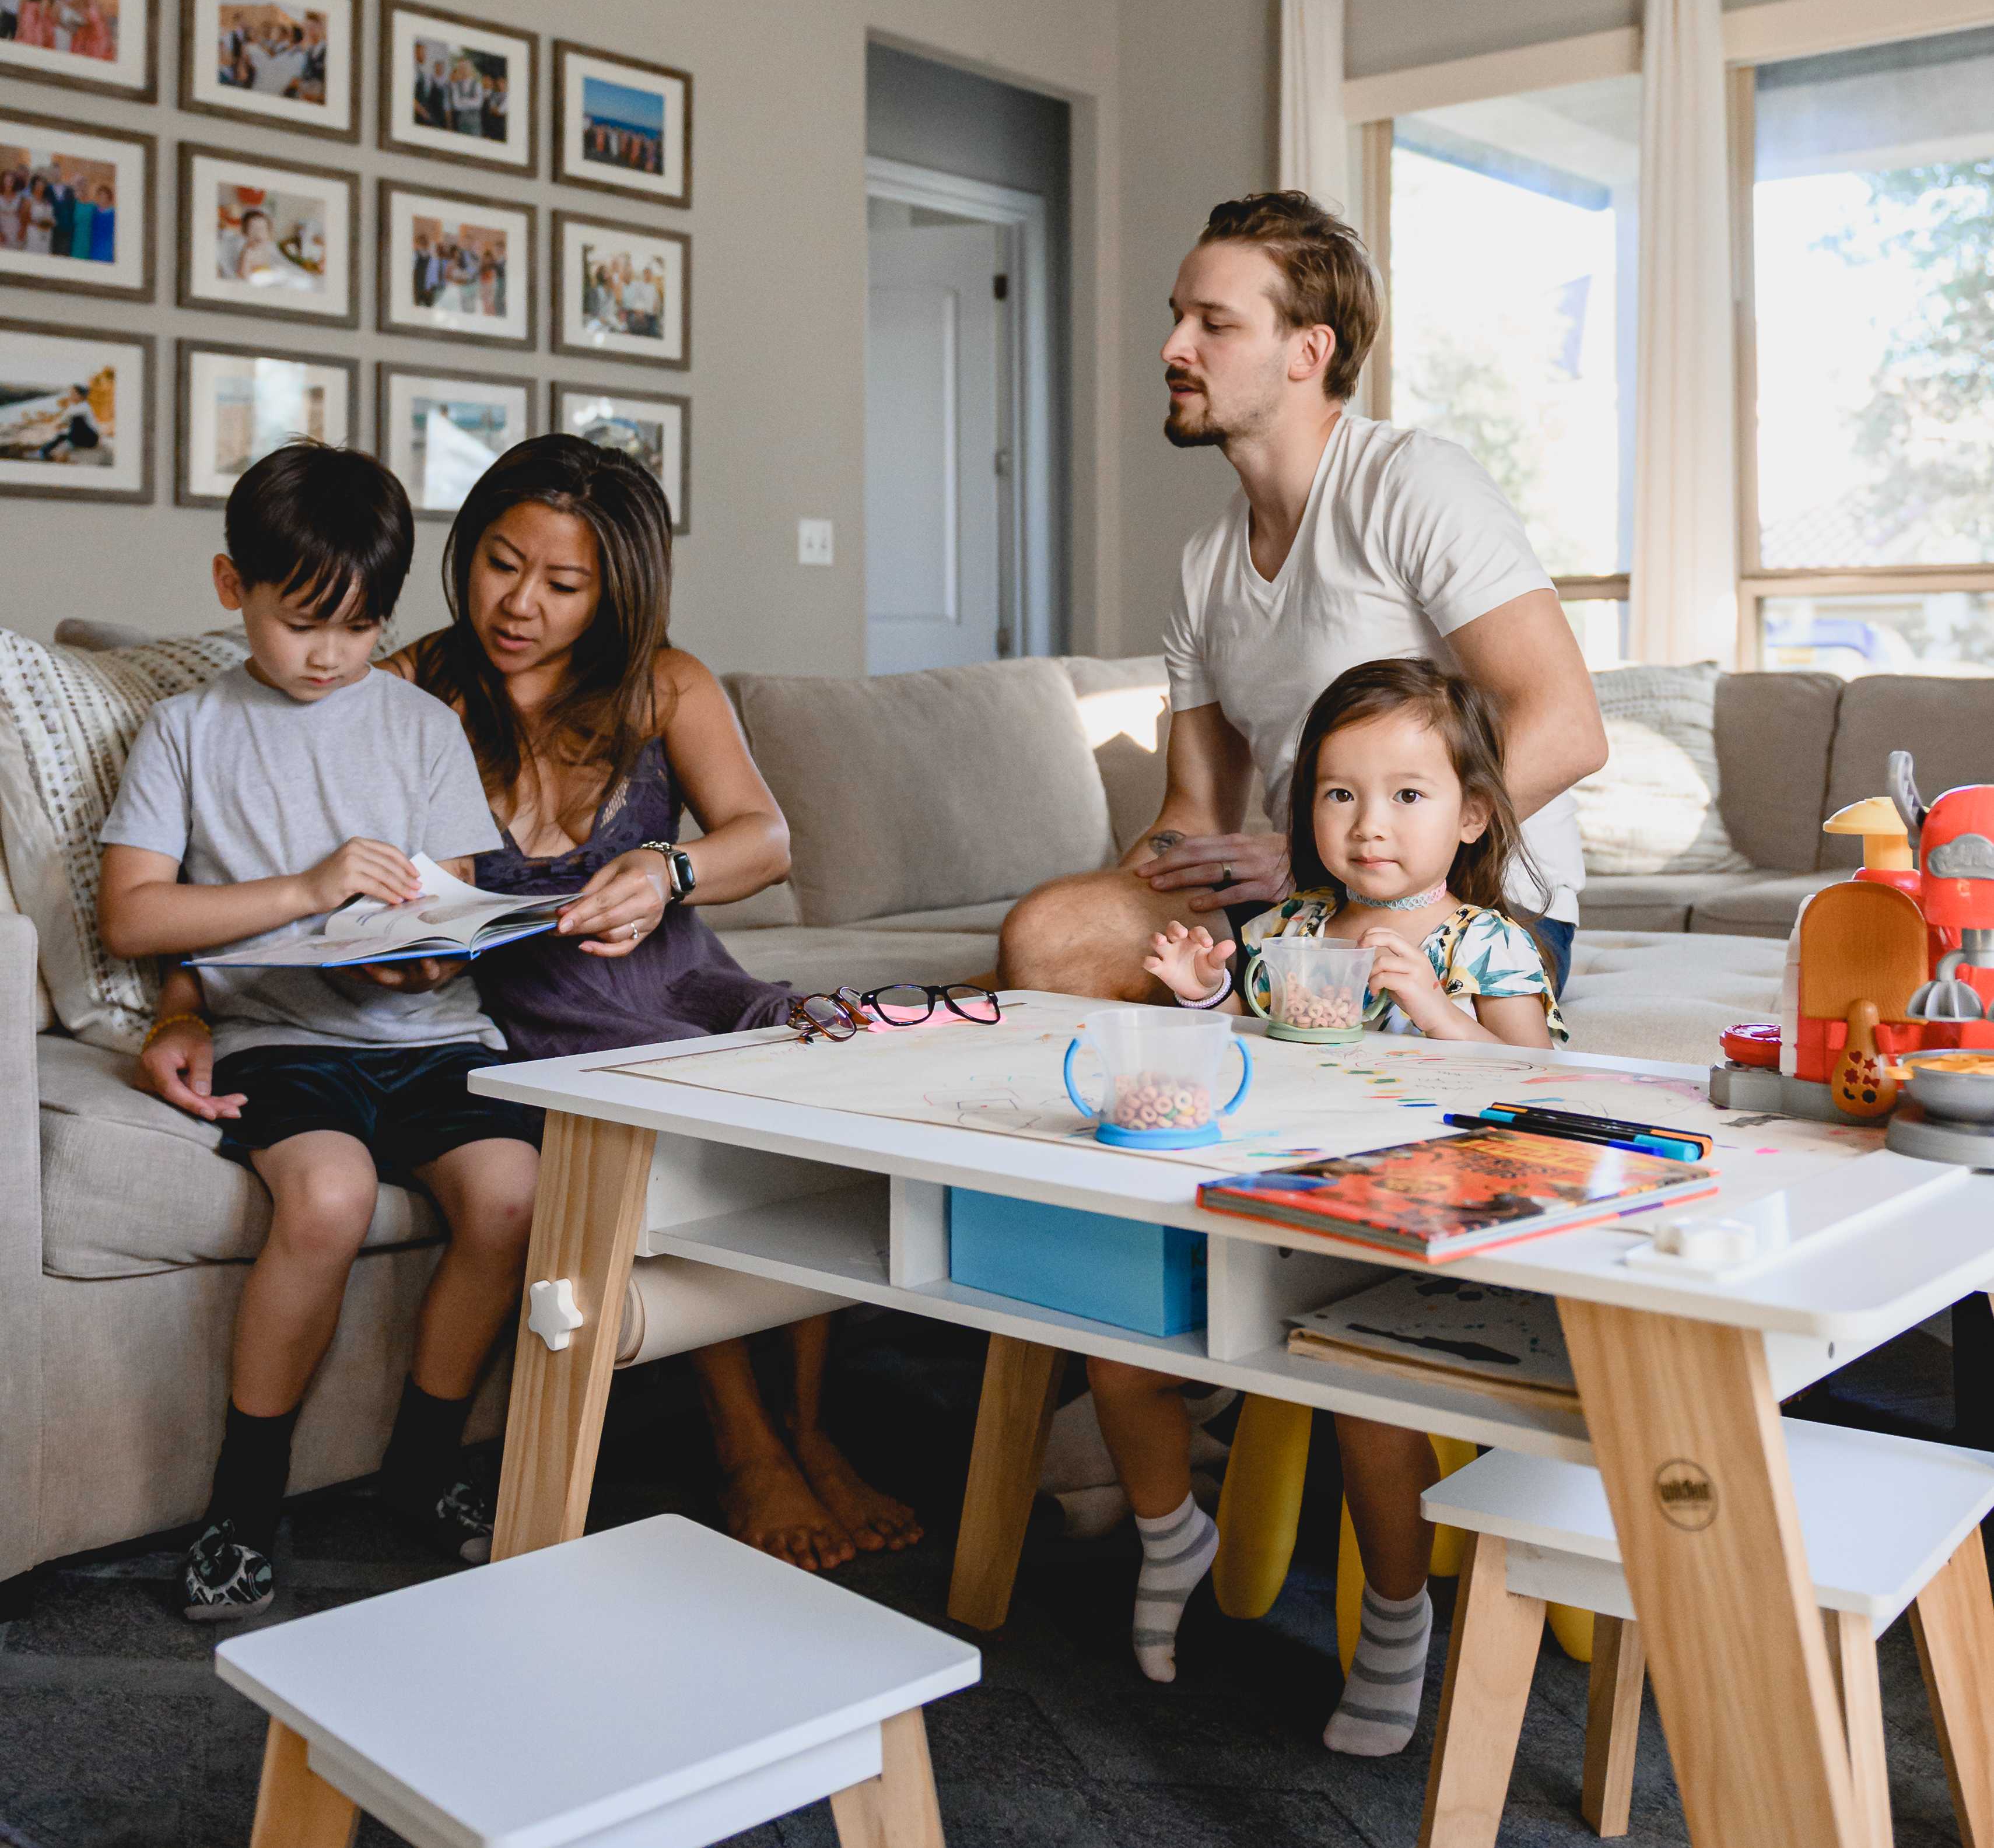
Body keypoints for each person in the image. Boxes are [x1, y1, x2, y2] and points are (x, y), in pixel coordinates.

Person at [385, 432, 925, 1576]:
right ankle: (744, 1440)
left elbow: (764, 839)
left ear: (613, 590)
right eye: (499, 561)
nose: (519, 602)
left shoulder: (664, 681)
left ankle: (810, 1428)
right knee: (657, 1130)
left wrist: (668, 868)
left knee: (819, 1086)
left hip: (687, 978)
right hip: (548, 1016)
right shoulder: (410, 687)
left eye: (563, 583)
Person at [99, 444, 542, 1622]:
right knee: (331, 1197)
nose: (331, 653)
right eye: (302, 621)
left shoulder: (421, 727)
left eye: (360, 625)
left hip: (432, 1028)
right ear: (228, 582)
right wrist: (305, 890)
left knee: (513, 1194)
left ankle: (426, 1459)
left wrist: (429, 947)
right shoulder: (187, 729)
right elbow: (134, 910)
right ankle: (244, 1503)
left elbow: (451, 911)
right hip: (281, 1038)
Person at [1088, 658, 1557, 1735]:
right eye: (1339, 794)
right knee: (1112, 1351)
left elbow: (1538, 1087)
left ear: (1473, 815)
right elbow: (1248, 1034)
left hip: (1406, 1227)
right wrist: (1202, 987)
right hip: (1265, 1198)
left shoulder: (1485, 944)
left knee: (1366, 1405)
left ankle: (1397, 1620)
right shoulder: (1294, 928)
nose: (1369, 825)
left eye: (1408, 795)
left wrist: (1438, 1010)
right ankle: (1174, 1538)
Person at [998, 192, 1606, 1004]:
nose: (1174, 346)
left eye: (1215, 325)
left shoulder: (1414, 483)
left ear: (1307, 351)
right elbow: (1196, 809)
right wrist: (1128, 903)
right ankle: (941, 1011)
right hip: (1311, 906)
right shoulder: (1205, 563)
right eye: (1179, 317)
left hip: (1471, 909)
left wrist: (1316, 855)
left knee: (1066, 952)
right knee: (1054, 931)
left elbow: (1569, 730)